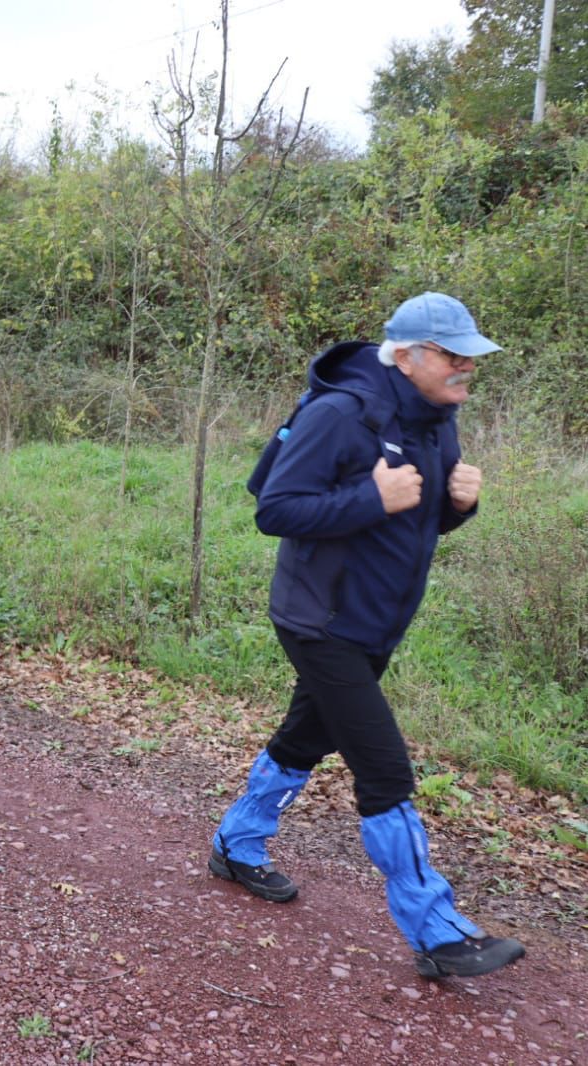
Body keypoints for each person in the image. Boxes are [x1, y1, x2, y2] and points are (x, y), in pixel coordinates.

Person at [209, 292, 525, 980]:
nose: (468, 367)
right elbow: (276, 509)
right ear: (407, 355)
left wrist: (457, 507)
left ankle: (235, 845)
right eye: (453, 354)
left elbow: (413, 521)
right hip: (319, 620)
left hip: (376, 619)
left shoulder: (437, 420)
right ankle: (436, 931)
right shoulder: (340, 414)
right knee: (383, 769)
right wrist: (367, 498)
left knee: (305, 738)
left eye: (472, 355)